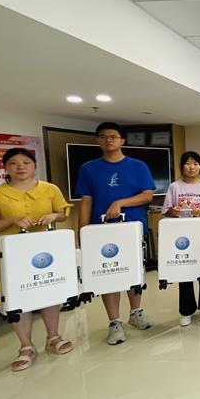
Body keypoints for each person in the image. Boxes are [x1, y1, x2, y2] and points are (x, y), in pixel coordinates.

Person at [0, 148, 73, 371]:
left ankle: (53, 337)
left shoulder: (50, 189)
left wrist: (54, 216)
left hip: (46, 252)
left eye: (26, 162)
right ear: (5, 167)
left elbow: (62, 213)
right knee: (18, 298)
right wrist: (11, 220)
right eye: (14, 163)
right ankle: (26, 346)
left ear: (34, 165)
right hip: (13, 256)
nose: (20, 167)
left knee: (50, 291)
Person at [76, 122, 155, 345]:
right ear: (97, 141)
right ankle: (114, 322)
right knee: (108, 274)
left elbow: (147, 195)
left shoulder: (138, 166)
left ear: (122, 140)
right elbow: (86, 202)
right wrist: (82, 233)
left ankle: (136, 312)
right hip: (100, 231)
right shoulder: (88, 169)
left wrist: (120, 203)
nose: (108, 140)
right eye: (103, 136)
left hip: (131, 228)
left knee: (133, 271)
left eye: (113, 136)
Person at [162, 151, 200, 327]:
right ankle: (186, 310)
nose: (192, 167)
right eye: (188, 163)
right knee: (184, 270)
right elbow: (166, 211)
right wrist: (175, 211)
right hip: (181, 237)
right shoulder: (174, 187)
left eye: (196, 164)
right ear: (181, 166)